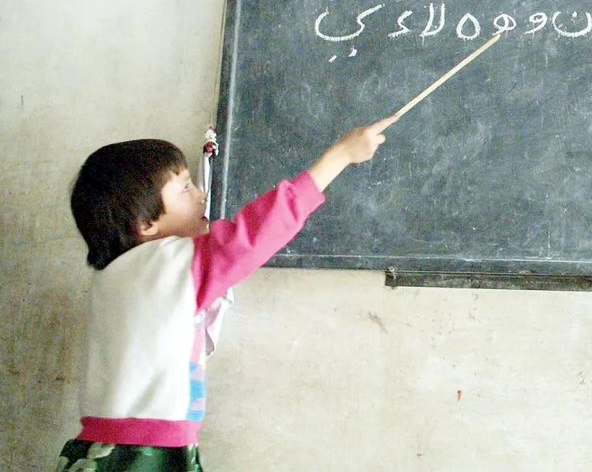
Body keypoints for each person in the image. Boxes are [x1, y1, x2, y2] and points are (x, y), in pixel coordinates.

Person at [55, 116, 398, 471]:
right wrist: (340, 156)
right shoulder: (167, 265)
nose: (201, 195)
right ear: (145, 224)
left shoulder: (115, 276)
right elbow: (253, 234)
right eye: (185, 188)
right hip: (141, 455)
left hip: (100, 451)